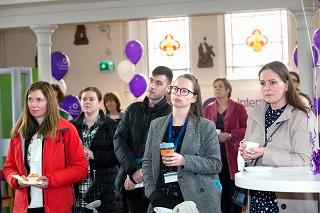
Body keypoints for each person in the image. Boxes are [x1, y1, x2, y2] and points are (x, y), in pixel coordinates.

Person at [239, 61, 317, 213]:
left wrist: (265, 153)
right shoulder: (254, 115)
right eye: (262, 83)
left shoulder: (302, 117)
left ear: (287, 85)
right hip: (257, 195)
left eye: (273, 82)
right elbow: (248, 157)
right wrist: (246, 155)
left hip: (288, 198)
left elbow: (306, 160)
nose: (266, 88)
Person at [3, 81, 88, 213]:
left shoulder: (67, 130)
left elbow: (80, 168)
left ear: (49, 102)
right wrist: (17, 181)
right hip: (24, 207)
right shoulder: (19, 132)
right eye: (30, 99)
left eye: (39, 100)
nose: (33, 104)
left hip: (57, 206)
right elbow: (9, 167)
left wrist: (51, 180)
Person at [143, 74, 222, 213]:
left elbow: (215, 165)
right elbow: (147, 162)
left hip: (196, 198)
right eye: (175, 89)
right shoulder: (156, 125)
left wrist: (184, 160)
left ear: (194, 98)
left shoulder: (205, 126)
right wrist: (152, 194)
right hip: (161, 198)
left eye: (184, 91)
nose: (178, 93)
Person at [113, 66, 173, 213]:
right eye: (151, 80)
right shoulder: (133, 109)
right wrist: (133, 171)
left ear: (168, 88)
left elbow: (167, 147)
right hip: (130, 179)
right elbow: (119, 140)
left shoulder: (171, 114)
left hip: (159, 183)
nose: (152, 86)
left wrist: (143, 172)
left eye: (159, 83)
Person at [72, 87, 123, 213]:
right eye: (84, 99)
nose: (87, 102)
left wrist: (94, 155)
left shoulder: (112, 126)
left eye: (91, 99)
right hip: (78, 188)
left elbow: (119, 156)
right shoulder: (71, 127)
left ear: (99, 102)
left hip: (105, 189)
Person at [203, 77, 247, 213]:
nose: (216, 89)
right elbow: (202, 131)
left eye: (220, 86)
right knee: (217, 192)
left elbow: (247, 129)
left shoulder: (238, 108)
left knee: (233, 193)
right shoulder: (207, 110)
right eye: (215, 86)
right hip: (213, 157)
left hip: (232, 157)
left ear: (228, 90)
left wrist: (229, 135)